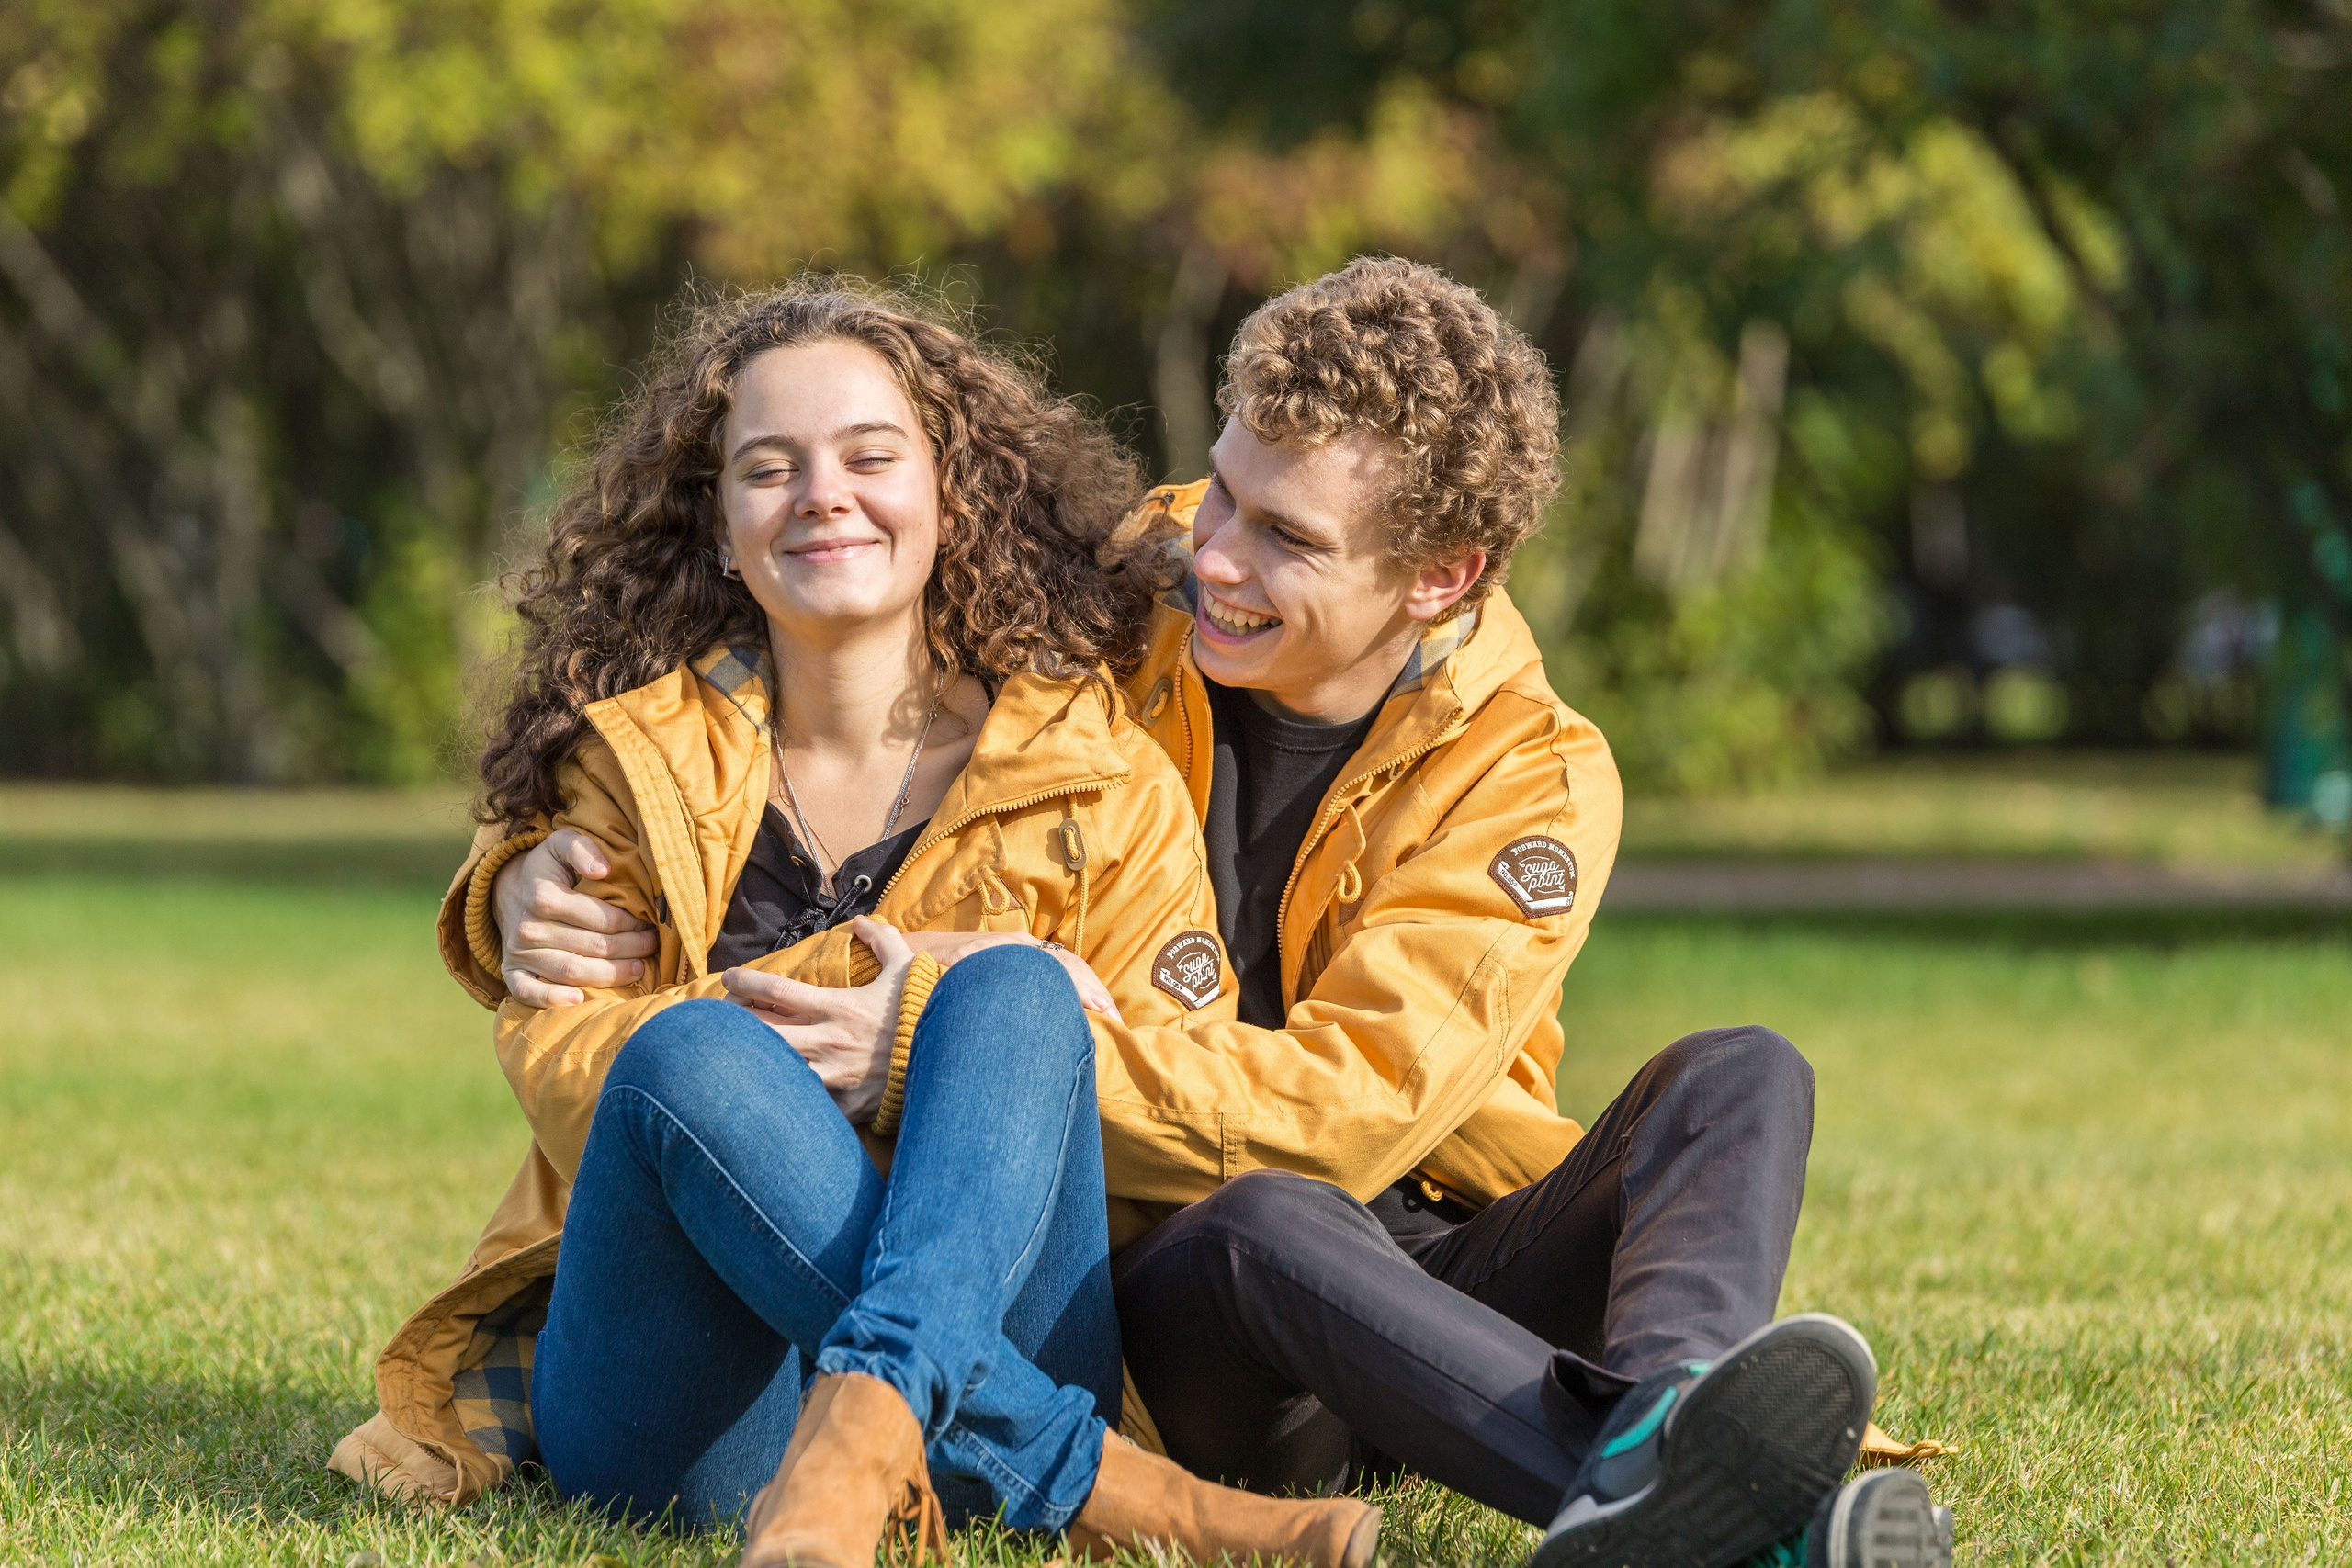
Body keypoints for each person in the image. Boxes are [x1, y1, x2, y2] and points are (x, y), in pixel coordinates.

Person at [477, 260, 1952, 1568]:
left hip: (1400, 1235)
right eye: (1225, 490)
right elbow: (805, 688)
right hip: (1160, 1261)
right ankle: (1712, 1508)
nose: (1218, 558)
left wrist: (938, 1034)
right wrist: (510, 878)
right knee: (1229, 1199)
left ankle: (1667, 1429)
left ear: (1444, 576)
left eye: (1289, 542)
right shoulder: (1121, 589)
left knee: (1742, 1071)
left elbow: (1355, 1115)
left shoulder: (1533, 773)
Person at [327, 278, 1379, 1568]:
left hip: (1014, 1321)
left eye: (870, 457)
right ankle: (1101, 1489)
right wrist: (871, 986)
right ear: (720, 528)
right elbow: (570, 1088)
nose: (824, 493)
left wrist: (959, 1014)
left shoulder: (1101, 780)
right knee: (684, 1059)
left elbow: (1183, 1112)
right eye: (769, 469)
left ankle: (868, 1439)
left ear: (951, 490)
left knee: (1014, 996)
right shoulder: (632, 764)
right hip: (698, 1416)